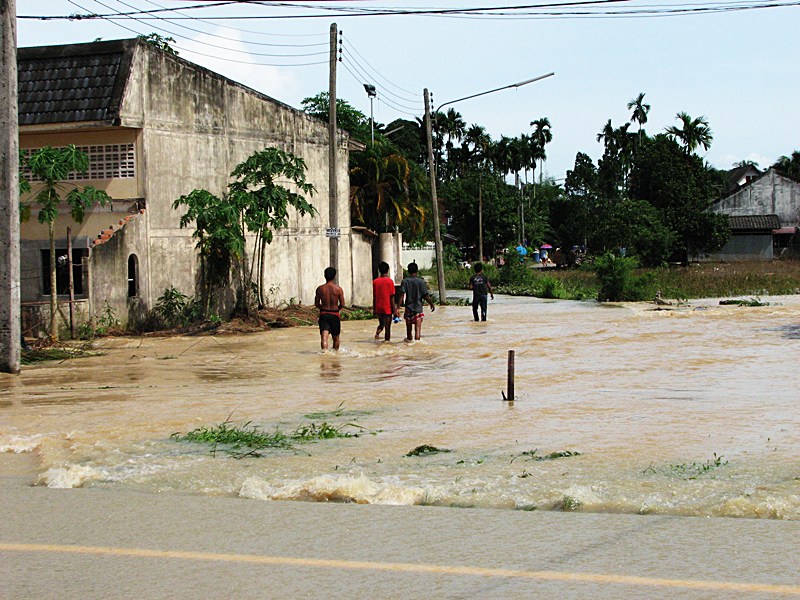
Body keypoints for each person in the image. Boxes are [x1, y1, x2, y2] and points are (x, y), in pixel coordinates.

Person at [398, 262, 435, 341]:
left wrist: (397, 307)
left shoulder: (405, 281)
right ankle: (417, 345)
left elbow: (402, 295)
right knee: (417, 330)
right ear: (417, 271)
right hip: (418, 308)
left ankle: (408, 345)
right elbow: (425, 295)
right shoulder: (421, 281)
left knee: (408, 331)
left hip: (408, 308)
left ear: (408, 271)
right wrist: (431, 304)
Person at [314, 266, 345, 350]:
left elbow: (316, 304)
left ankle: (325, 355)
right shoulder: (338, 289)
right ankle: (335, 357)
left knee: (324, 338)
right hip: (335, 314)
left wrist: (323, 308)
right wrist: (336, 309)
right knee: (336, 338)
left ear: (324, 276)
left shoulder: (320, 289)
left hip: (324, 314)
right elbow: (342, 304)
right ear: (334, 276)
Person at [372, 261, 398, 342]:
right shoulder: (390, 282)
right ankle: (387, 343)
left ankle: (377, 335)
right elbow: (392, 297)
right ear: (387, 270)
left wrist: (374, 309)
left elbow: (374, 296)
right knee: (387, 328)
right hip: (387, 308)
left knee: (381, 324)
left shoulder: (375, 282)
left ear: (379, 270)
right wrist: (394, 310)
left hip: (378, 307)